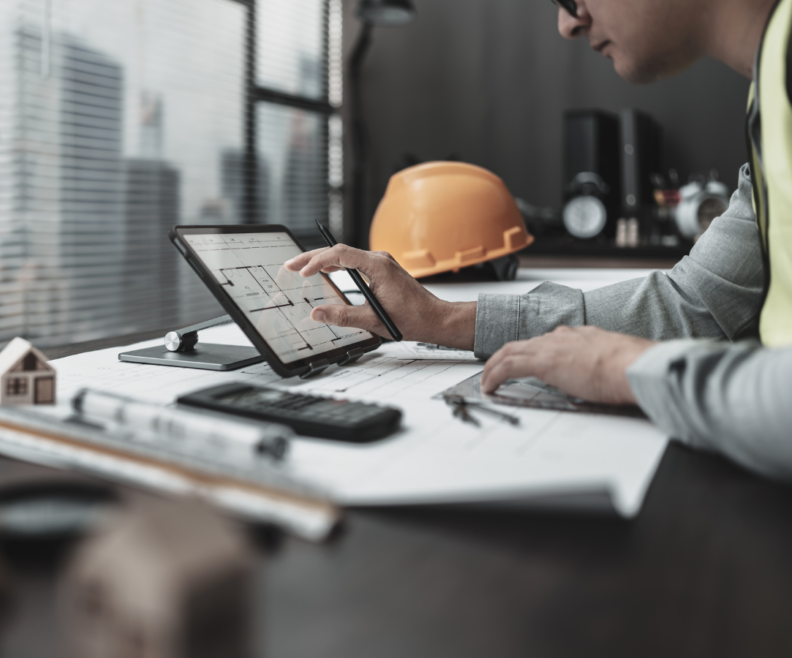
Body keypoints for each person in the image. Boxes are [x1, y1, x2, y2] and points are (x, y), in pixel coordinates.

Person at [283, 0, 792, 480]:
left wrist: (634, 369)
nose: (568, 24)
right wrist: (439, 319)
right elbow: (698, 303)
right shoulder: (770, 87)